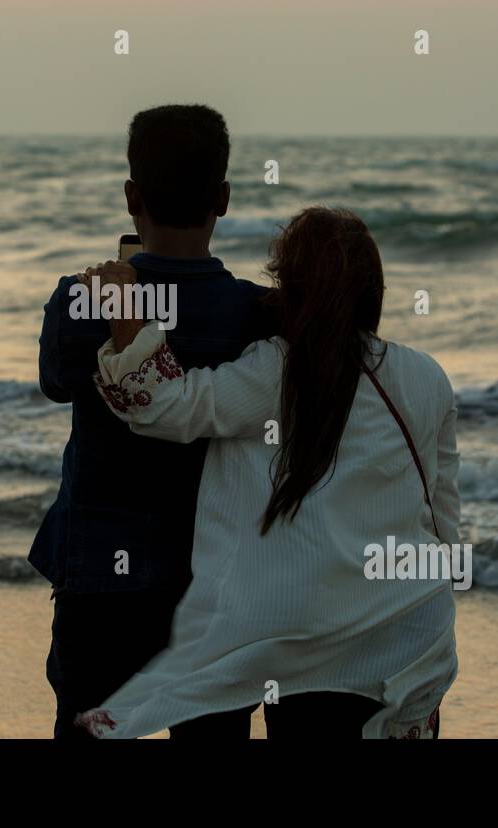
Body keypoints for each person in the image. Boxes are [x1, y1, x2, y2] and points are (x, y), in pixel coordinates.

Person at [76, 206, 460, 739]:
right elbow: (442, 519)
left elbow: (162, 406)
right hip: (410, 635)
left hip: (304, 641)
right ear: (374, 291)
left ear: (289, 289)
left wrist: (124, 308)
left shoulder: (276, 369)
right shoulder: (425, 375)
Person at [28, 104, 277, 739]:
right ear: (222, 198)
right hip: (213, 579)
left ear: (132, 197)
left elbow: (56, 382)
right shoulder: (255, 314)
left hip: (102, 571)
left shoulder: (84, 299)